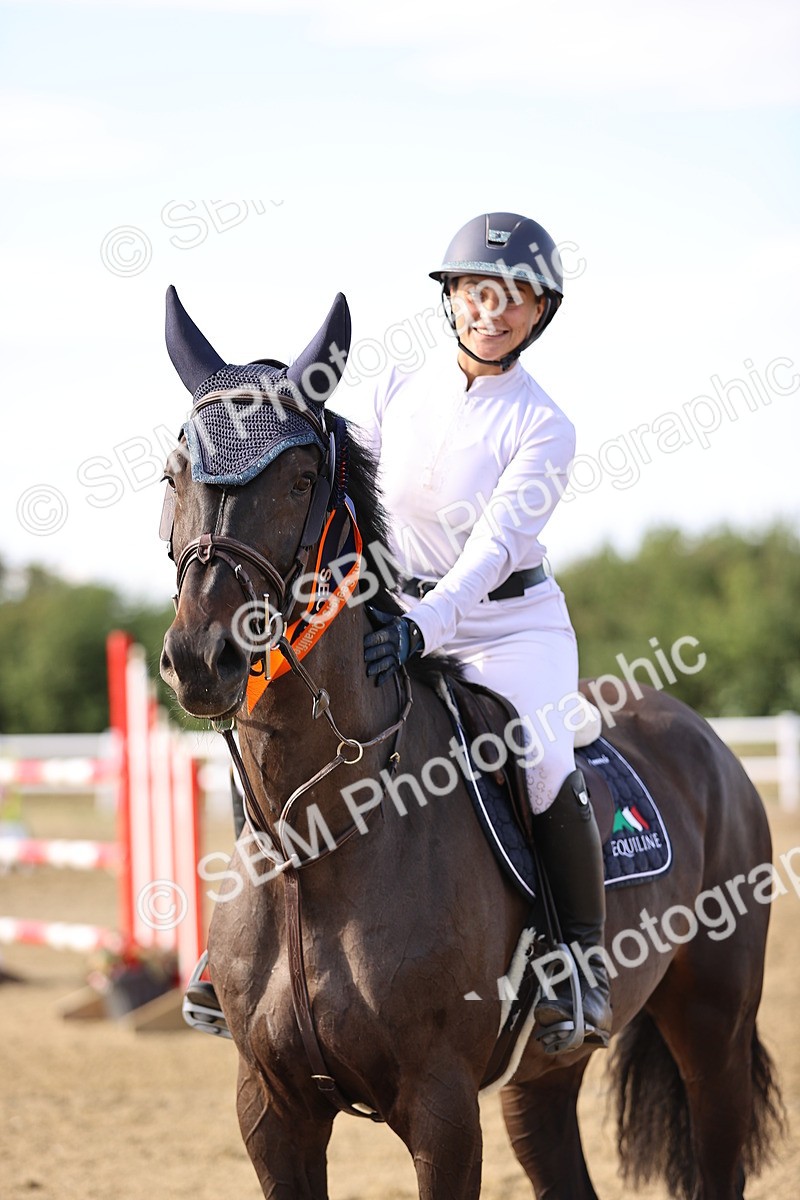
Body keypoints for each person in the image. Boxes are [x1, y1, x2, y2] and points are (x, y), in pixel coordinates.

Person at [360, 211, 612, 1052]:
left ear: (540, 312)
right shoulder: (395, 384)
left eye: (516, 298)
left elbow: (491, 552)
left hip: (509, 628)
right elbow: (349, 493)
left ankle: (580, 964)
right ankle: (236, 942)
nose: (492, 312)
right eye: (477, 291)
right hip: (395, 611)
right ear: (452, 297)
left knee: (541, 755)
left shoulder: (545, 425)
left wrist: (422, 627)